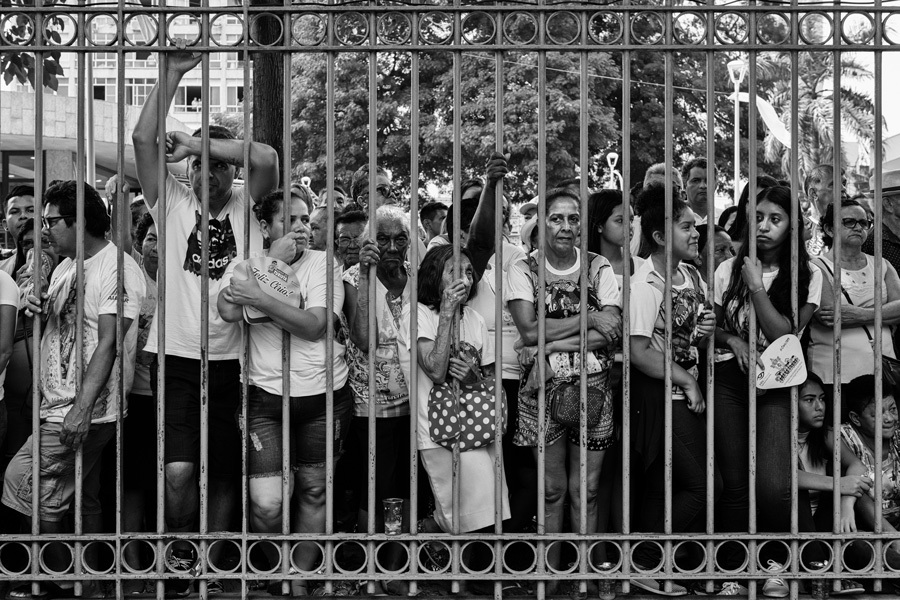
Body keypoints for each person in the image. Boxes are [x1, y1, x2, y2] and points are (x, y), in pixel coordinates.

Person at [131, 49, 279, 596]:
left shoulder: (247, 203)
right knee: (177, 472)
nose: (209, 173)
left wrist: (194, 142)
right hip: (174, 356)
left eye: (218, 163)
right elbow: (144, 143)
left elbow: (264, 156)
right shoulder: (168, 199)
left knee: (222, 468)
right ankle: (177, 563)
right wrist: (171, 76)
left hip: (234, 360)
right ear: (187, 173)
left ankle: (212, 569)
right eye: (200, 165)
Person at [1, 181, 145, 599]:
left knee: (23, 481)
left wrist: (80, 409)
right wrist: (36, 307)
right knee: (83, 498)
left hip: (84, 410)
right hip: (59, 406)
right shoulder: (68, 265)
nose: (43, 230)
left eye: (51, 221)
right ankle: (89, 584)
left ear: (79, 221)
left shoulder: (115, 268)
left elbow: (109, 342)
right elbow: (61, 328)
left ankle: (54, 578)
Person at [217, 188, 350, 593]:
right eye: (289, 220)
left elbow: (314, 325)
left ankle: (299, 580)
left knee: (313, 490)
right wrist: (272, 266)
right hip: (264, 399)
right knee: (267, 503)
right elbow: (225, 310)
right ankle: (278, 569)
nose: (300, 228)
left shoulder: (325, 264)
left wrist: (258, 299)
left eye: (305, 220)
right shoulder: (247, 266)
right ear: (265, 227)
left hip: (324, 397)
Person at [507, 187, 621, 584]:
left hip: (595, 391)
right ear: (542, 221)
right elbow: (526, 327)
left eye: (573, 219)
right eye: (557, 218)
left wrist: (548, 341)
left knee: (585, 491)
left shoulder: (598, 267)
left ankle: (585, 575)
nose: (566, 227)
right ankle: (551, 575)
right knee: (553, 490)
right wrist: (590, 317)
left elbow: (612, 333)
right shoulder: (523, 268)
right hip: (542, 391)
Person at [713, 185, 822, 597]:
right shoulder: (727, 270)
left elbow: (786, 336)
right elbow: (717, 328)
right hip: (731, 382)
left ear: (792, 225)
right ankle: (735, 570)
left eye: (775, 219)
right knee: (735, 481)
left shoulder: (810, 275)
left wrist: (757, 286)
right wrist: (733, 340)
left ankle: (775, 564)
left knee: (774, 484)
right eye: (757, 216)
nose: (762, 226)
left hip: (779, 382)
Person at [396, 244, 510, 594]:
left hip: (477, 425)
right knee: (465, 506)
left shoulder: (474, 320)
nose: (464, 277)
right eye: (453, 271)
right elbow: (434, 367)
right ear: (434, 276)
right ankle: (416, 564)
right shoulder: (416, 314)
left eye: (468, 271)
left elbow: (488, 377)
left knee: (484, 505)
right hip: (438, 429)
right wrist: (446, 311)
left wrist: (474, 376)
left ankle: (447, 567)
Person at [627, 193, 720, 595]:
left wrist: (705, 330)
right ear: (661, 236)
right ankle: (645, 563)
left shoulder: (693, 278)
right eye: (686, 226)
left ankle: (667, 566)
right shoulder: (646, 283)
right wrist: (686, 380)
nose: (695, 233)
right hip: (662, 395)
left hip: (685, 392)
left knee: (665, 485)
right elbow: (638, 351)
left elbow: (687, 335)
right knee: (703, 486)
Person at [342, 205, 412, 594]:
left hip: (415, 400)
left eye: (398, 238)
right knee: (376, 483)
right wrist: (368, 276)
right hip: (373, 402)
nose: (390, 246)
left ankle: (395, 564)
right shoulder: (354, 277)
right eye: (381, 238)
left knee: (404, 483)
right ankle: (373, 569)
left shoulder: (415, 276)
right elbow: (364, 338)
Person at [809, 199, 900, 409]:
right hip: (835, 374)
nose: (858, 227)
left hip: (882, 371)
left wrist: (859, 314)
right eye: (849, 222)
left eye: (863, 222)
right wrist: (884, 313)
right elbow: (831, 316)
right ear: (830, 229)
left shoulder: (882, 265)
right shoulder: (816, 267)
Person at [794, 373, 867, 595]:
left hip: (824, 522)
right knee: (799, 498)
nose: (819, 406)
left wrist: (846, 508)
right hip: (792, 524)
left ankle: (831, 570)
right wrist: (838, 484)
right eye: (809, 400)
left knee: (861, 547)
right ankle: (824, 571)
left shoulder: (825, 435)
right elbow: (784, 477)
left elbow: (857, 466)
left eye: (823, 399)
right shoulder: (778, 435)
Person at [119, 212, 159, 592]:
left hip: (180, 397)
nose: (157, 247)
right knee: (133, 483)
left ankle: (170, 558)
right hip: (138, 397)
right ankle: (132, 562)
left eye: (164, 239)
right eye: (150, 238)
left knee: (174, 481)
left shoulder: (189, 279)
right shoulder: (133, 277)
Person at [725, 174, 780, 246]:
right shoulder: (729, 246)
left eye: (764, 203)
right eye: (751, 202)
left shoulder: (793, 250)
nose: (756, 209)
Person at [804, 164, 843, 257]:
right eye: (834, 185)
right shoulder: (799, 229)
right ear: (813, 193)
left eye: (844, 184)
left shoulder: (853, 225)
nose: (843, 189)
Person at [0, 185, 35, 276]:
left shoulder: (65, 262)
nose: (23, 216)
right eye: (15, 211)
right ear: (5, 224)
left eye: (31, 210)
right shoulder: (2, 272)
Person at [681, 157, 714, 225]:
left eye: (708, 181)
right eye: (696, 181)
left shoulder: (726, 218)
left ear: (716, 184)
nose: (703, 186)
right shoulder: (672, 217)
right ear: (684, 185)